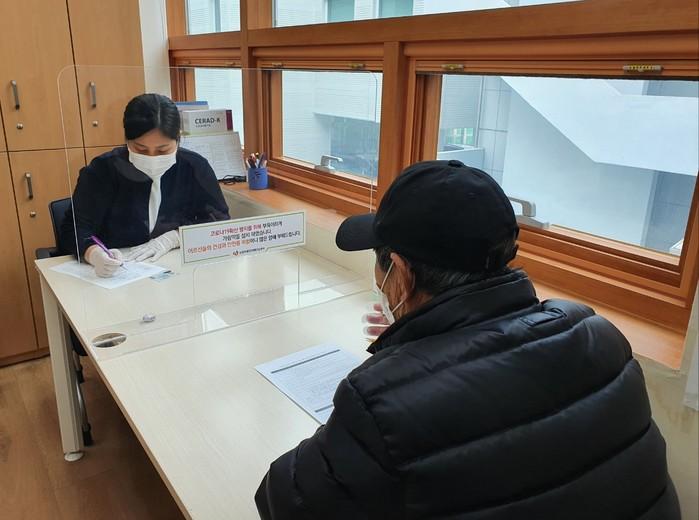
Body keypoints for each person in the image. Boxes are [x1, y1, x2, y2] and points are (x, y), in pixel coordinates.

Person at [255, 160, 680, 519]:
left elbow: (281, 500)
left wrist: (397, 367)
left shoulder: (382, 402)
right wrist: (420, 349)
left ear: (400, 274)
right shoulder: (599, 336)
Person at [60, 93, 230, 277]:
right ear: (127, 140)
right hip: (118, 270)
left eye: (163, 150)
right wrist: (94, 254)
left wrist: (175, 238)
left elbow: (219, 220)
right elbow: (73, 229)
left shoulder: (194, 167)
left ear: (178, 139)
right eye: (140, 149)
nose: (152, 158)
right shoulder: (102, 170)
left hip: (177, 267)